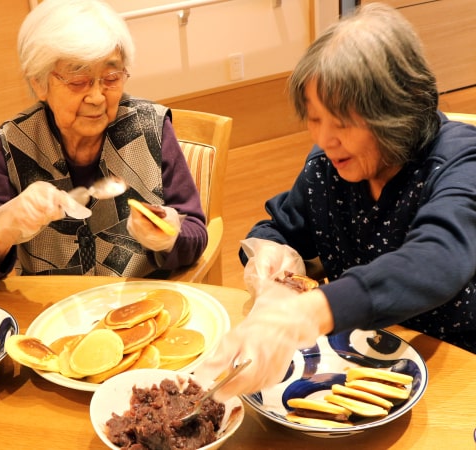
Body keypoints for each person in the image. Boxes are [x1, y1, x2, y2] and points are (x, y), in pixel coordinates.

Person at [196, 2, 476, 400]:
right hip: (356, 372)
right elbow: (277, 228)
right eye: (314, 118)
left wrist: (307, 312)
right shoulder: (327, 168)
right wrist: (271, 259)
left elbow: (437, 258)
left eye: (342, 122)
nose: (324, 140)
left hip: (458, 373)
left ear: (395, 111)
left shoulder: (461, 162)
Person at [0, 0, 208, 284]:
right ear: (39, 83)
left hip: (141, 303)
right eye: (78, 81)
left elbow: (196, 231)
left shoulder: (150, 127)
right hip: (53, 312)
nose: (98, 97)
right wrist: (6, 228)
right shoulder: (14, 142)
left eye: (111, 78)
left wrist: (169, 238)